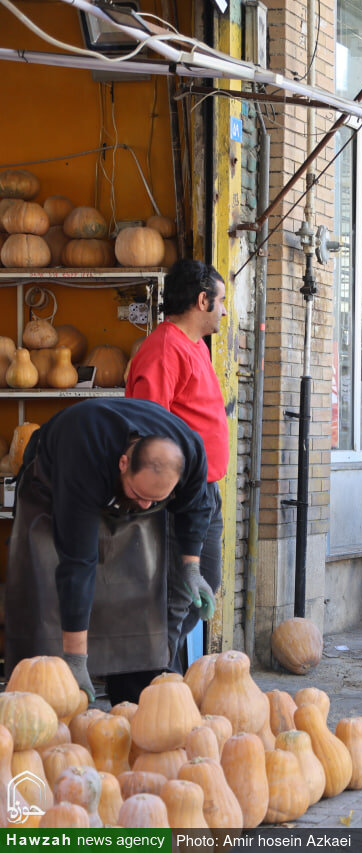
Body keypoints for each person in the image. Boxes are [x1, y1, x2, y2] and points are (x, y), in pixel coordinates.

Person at [5, 398, 212, 703]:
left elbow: (196, 508)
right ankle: (44, 694)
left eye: (155, 500)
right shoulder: (82, 455)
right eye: (140, 495)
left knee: (137, 596)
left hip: (110, 476)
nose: (145, 506)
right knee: (47, 596)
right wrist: (74, 660)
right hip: (52, 490)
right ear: (123, 463)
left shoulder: (189, 451)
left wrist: (191, 568)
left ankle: (131, 697)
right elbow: (78, 562)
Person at [126, 259, 230, 675]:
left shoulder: (194, 347)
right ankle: (151, 685)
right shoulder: (165, 347)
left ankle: (156, 675)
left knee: (203, 590)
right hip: (180, 497)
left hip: (204, 493)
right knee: (176, 596)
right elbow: (148, 426)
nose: (224, 311)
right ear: (202, 300)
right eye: (221, 301)